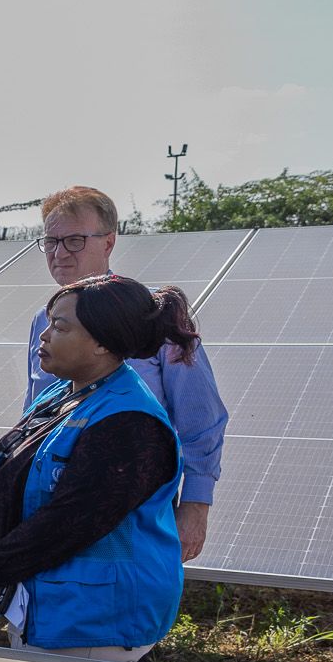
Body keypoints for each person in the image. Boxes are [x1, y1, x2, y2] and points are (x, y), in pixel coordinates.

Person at [0, 275, 194, 660]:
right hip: (56, 609)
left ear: (102, 343)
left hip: (95, 623)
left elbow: (71, 521)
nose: (43, 336)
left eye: (60, 327)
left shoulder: (130, 423)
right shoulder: (63, 394)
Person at [24, 186, 227, 561]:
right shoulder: (42, 322)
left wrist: (196, 507)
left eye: (73, 240)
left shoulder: (151, 315)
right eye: (51, 241)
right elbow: (34, 419)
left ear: (109, 242)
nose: (59, 253)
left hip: (135, 515)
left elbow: (202, 420)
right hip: (52, 514)